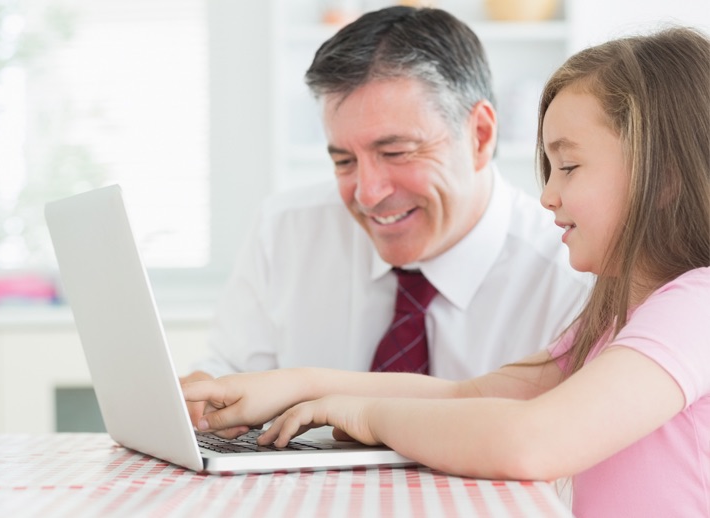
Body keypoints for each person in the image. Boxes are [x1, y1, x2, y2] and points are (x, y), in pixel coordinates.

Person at [183, 26, 710, 517]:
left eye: (567, 166)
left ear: (661, 179)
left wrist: (366, 416)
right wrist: (302, 386)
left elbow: (534, 440)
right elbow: (472, 397)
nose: (548, 195)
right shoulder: (621, 313)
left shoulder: (698, 308)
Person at [183, 7, 589, 431]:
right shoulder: (286, 230)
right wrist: (206, 396)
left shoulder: (574, 277)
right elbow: (228, 373)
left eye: (396, 152)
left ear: (480, 135)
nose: (367, 193)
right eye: (343, 161)